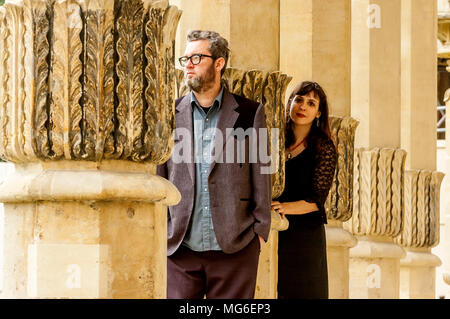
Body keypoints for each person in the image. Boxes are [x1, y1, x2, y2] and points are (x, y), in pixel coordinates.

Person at [156, 30, 271, 299]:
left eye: (197, 57)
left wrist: (260, 232)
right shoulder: (169, 113)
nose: (189, 64)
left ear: (219, 63)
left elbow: (262, 172)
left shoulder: (250, 112)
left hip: (236, 247)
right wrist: (163, 231)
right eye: (185, 58)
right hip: (180, 249)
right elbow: (160, 174)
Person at [271, 81, 337, 299]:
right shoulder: (275, 139)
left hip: (305, 237)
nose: (302, 107)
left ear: (318, 112)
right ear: (290, 103)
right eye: (298, 100)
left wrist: (283, 207)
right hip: (274, 230)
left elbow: (316, 199)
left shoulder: (323, 147)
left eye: (311, 103)